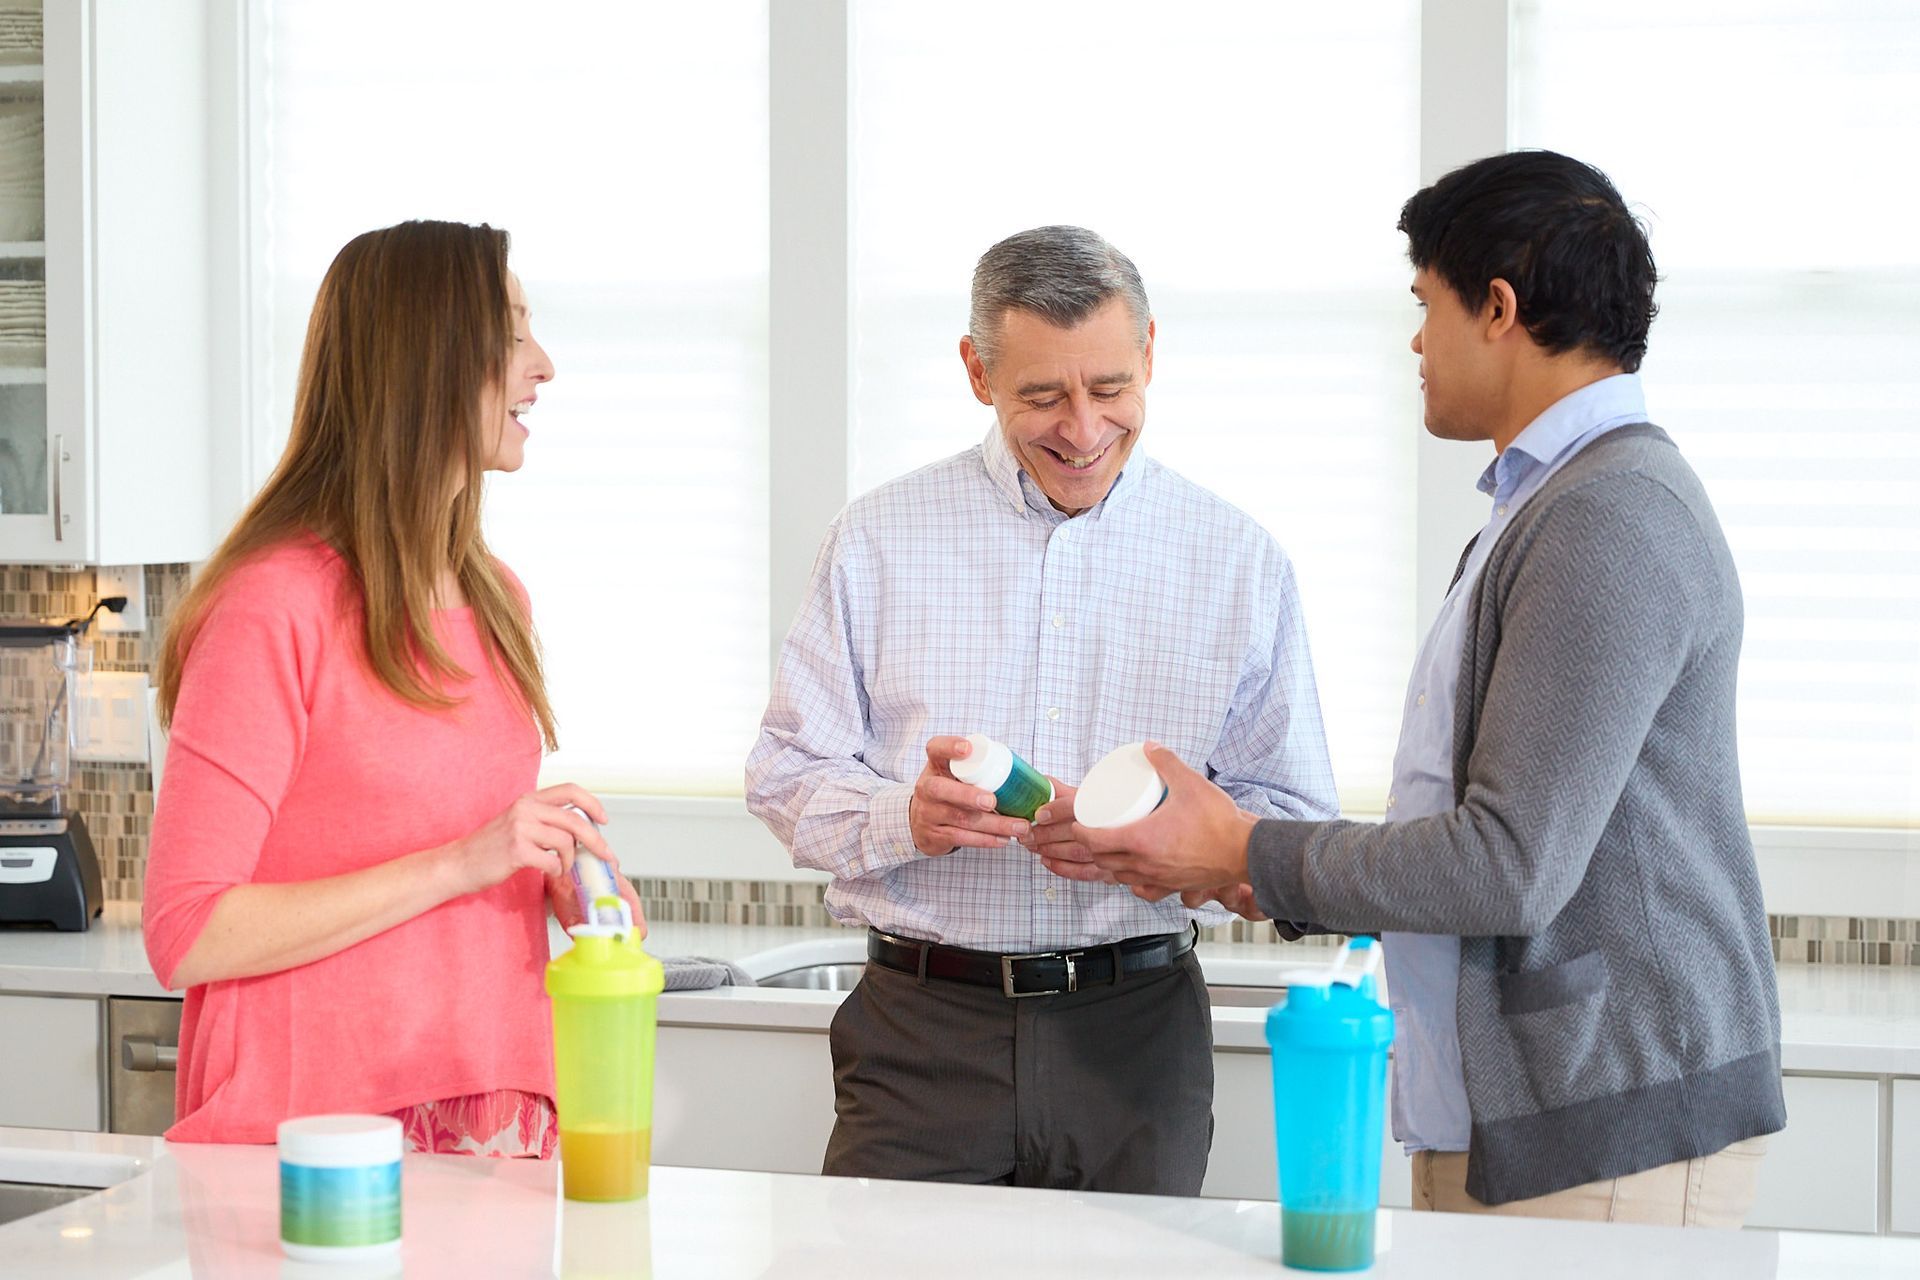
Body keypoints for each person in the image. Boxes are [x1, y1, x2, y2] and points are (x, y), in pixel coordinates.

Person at [1070, 151, 1786, 1225]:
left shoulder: (1607, 517)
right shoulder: (1549, 505)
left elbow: (1506, 863)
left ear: (1497, 307)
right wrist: (1254, 866)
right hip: (1531, 1124)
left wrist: (1244, 848)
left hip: (1603, 1138)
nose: (1414, 341)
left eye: (1426, 304)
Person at [745, 225, 1337, 1194]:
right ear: (978, 372)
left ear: (1150, 354)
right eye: (1042, 395)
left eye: (1109, 389)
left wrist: (1174, 845)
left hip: (1136, 1034)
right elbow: (782, 774)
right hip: (920, 1035)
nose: (1082, 427)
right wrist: (909, 816)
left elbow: (1295, 825)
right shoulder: (877, 540)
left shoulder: (1239, 563)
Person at [143, 220, 645, 1153]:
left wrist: (556, 874)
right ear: (426, 363)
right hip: (317, 1136)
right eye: (512, 335)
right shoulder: (274, 605)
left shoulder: (496, 597)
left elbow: (434, 838)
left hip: (499, 1110)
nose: (544, 364)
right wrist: (464, 859)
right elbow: (189, 929)